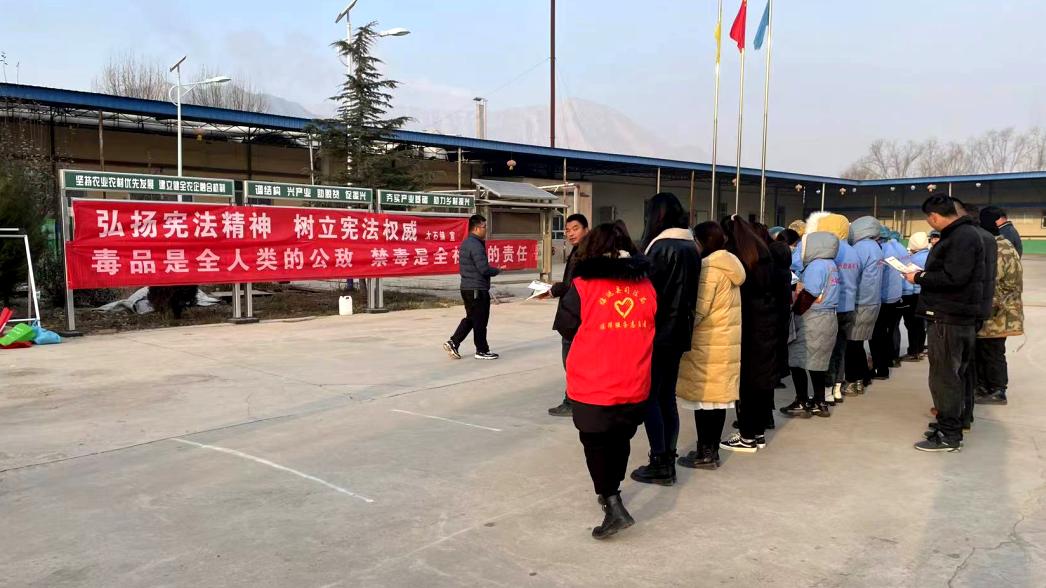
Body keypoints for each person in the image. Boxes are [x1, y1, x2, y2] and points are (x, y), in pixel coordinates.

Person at [555, 223, 655, 539]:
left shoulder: (584, 285)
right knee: (621, 438)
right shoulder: (646, 285)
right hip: (634, 379)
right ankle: (612, 490)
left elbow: (567, 327)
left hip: (594, 382)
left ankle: (612, 502)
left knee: (595, 442)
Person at [904, 195, 987, 452]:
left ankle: (949, 434)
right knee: (953, 375)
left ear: (934, 217)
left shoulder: (960, 238)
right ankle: (950, 423)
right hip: (955, 315)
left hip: (948, 317)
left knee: (945, 377)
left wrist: (919, 277)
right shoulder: (963, 234)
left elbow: (954, 278)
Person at [630, 193, 700, 486]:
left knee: (649, 398)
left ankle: (659, 460)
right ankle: (667, 457)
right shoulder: (691, 246)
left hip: (657, 333)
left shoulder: (660, 247)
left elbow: (648, 292)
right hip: (680, 331)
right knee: (666, 397)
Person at [676, 222, 746, 469]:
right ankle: (710, 450)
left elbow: (699, 311)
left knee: (704, 402)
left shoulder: (708, 269)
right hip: (724, 344)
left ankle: (705, 452)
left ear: (702, 242)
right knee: (717, 401)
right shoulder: (730, 265)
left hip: (708, 345)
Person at [720, 216, 780, 453]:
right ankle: (757, 432)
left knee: (746, 383)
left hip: (747, 325)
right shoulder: (763, 254)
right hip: (768, 323)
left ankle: (746, 436)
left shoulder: (737, 260)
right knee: (761, 382)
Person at [781, 231, 840, 418]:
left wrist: (795, 310)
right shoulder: (831, 265)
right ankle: (820, 402)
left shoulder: (816, 266)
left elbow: (810, 293)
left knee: (797, 360)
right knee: (818, 364)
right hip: (828, 318)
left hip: (812, 319)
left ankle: (802, 399)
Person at [806, 213, 859, 405]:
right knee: (841, 349)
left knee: (826, 351)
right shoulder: (854, 251)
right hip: (850, 306)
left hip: (831, 308)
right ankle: (837, 387)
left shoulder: (828, 251)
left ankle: (826, 391)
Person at [974, 209, 1024, 406]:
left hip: (998, 312)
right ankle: (985, 386)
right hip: (996, 310)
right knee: (985, 350)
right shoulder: (1003, 245)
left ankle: (997, 389)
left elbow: (999, 283)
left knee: (993, 351)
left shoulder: (998, 248)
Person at [548, 213, 591, 417]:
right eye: (567, 230)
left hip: (575, 317)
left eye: (575, 228)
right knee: (573, 362)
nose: (570, 233)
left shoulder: (587, 253)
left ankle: (573, 402)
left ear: (586, 229)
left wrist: (555, 290)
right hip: (572, 314)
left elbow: (575, 286)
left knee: (572, 362)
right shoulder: (578, 250)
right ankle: (576, 400)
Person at [444, 214, 501, 360]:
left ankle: (454, 342)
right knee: (480, 321)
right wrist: (497, 270)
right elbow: (483, 269)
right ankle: (482, 350)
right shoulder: (475, 245)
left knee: (472, 318)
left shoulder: (468, 243)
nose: (486, 229)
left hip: (469, 287)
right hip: (476, 289)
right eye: (484, 227)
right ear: (476, 228)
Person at [844, 217, 884, 396]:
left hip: (861, 301)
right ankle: (863, 378)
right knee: (859, 342)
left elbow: (853, 274)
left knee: (852, 344)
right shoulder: (876, 247)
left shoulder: (860, 248)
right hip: (873, 300)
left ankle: (853, 380)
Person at [870, 227, 905, 379]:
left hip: (883, 298)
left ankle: (880, 367)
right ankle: (889, 359)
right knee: (889, 331)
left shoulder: (880, 251)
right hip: (894, 296)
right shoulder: (893, 249)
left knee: (877, 334)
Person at [900, 232, 931, 362]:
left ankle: (913, 351)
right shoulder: (930, 255)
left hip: (914, 294)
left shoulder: (913, 259)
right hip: (926, 294)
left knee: (912, 324)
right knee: (920, 323)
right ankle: (920, 348)